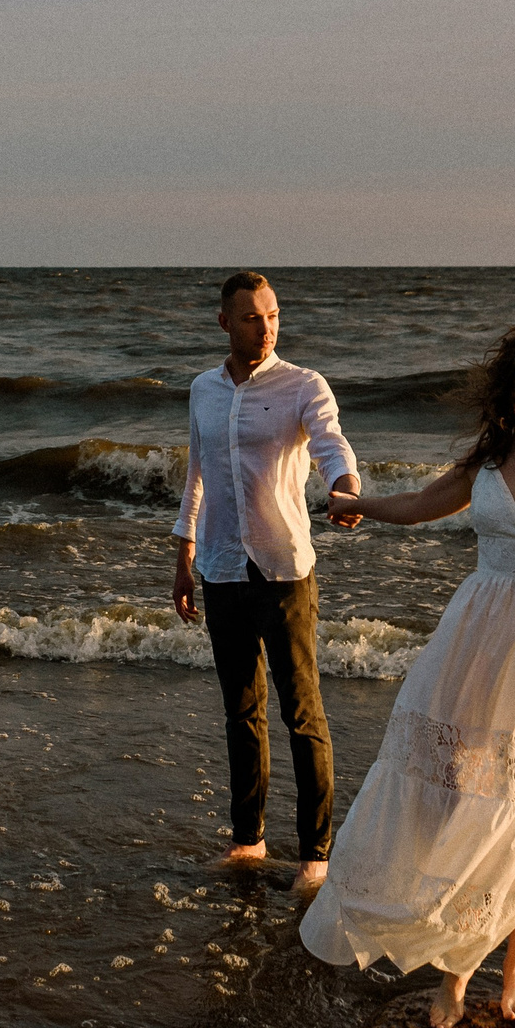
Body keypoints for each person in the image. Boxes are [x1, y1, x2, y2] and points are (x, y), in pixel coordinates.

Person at [300, 323, 515, 1028]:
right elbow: (419, 504)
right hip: (473, 647)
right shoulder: (485, 464)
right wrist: (357, 505)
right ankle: (457, 971)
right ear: (511, 388)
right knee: (458, 801)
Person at [171, 270, 363, 900]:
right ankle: (248, 839)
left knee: (300, 710)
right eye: (252, 317)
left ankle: (316, 853)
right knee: (240, 711)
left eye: (274, 315)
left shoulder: (302, 385)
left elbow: (333, 445)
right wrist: (184, 553)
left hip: (284, 571)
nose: (266, 327)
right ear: (225, 322)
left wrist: (345, 487)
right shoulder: (203, 389)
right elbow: (197, 474)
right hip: (221, 568)